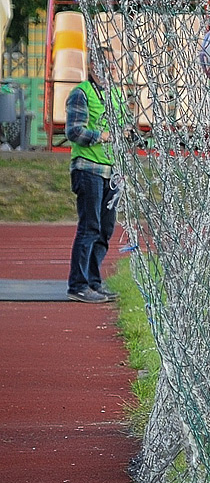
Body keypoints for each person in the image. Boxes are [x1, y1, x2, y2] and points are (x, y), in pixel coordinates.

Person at [65, 46, 120, 304]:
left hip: (111, 171)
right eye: (106, 64)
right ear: (93, 66)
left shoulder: (116, 95)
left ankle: (94, 282)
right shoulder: (81, 94)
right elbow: (74, 131)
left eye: (114, 64)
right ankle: (78, 284)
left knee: (105, 230)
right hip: (88, 168)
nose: (111, 69)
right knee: (90, 226)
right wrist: (102, 136)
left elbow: (123, 128)